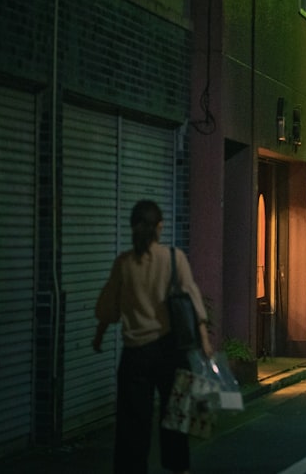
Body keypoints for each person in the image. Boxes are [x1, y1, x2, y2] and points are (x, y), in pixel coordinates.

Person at [92, 200, 213, 474]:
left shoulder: (123, 264)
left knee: (133, 426)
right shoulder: (174, 258)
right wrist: (204, 340)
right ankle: (178, 468)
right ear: (159, 227)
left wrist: (98, 337)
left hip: (135, 354)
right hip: (171, 351)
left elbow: (108, 308)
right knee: (176, 419)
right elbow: (192, 300)